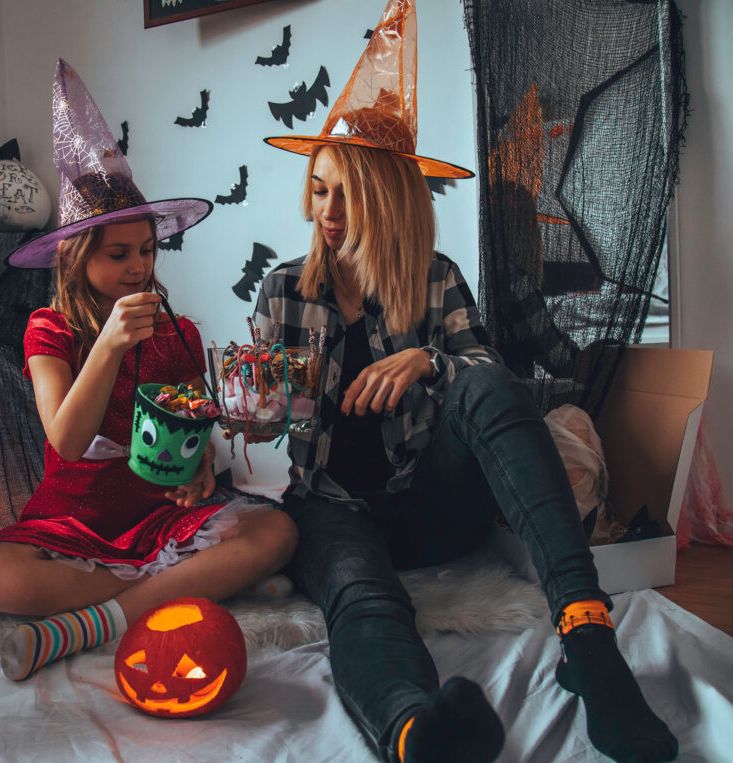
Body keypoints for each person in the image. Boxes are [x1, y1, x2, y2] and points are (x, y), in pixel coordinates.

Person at [251, 3, 678, 762]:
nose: (328, 213)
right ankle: (419, 732)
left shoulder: (435, 278)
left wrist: (430, 362)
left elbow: (492, 382)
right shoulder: (283, 291)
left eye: (347, 192)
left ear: (389, 197)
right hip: (334, 507)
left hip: (432, 501)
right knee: (360, 593)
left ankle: (589, 638)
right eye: (318, 190)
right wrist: (250, 417)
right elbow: (270, 415)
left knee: (486, 385)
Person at [0, 60, 297, 683]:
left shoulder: (176, 331)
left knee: (277, 531)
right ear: (78, 258)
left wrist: (200, 473)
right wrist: (105, 346)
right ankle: (177, 590)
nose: (139, 267)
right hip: (74, 522)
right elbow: (67, 441)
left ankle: (100, 621)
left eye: (148, 250)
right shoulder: (49, 330)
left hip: (157, 517)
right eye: (119, 254)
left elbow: (190, 435)